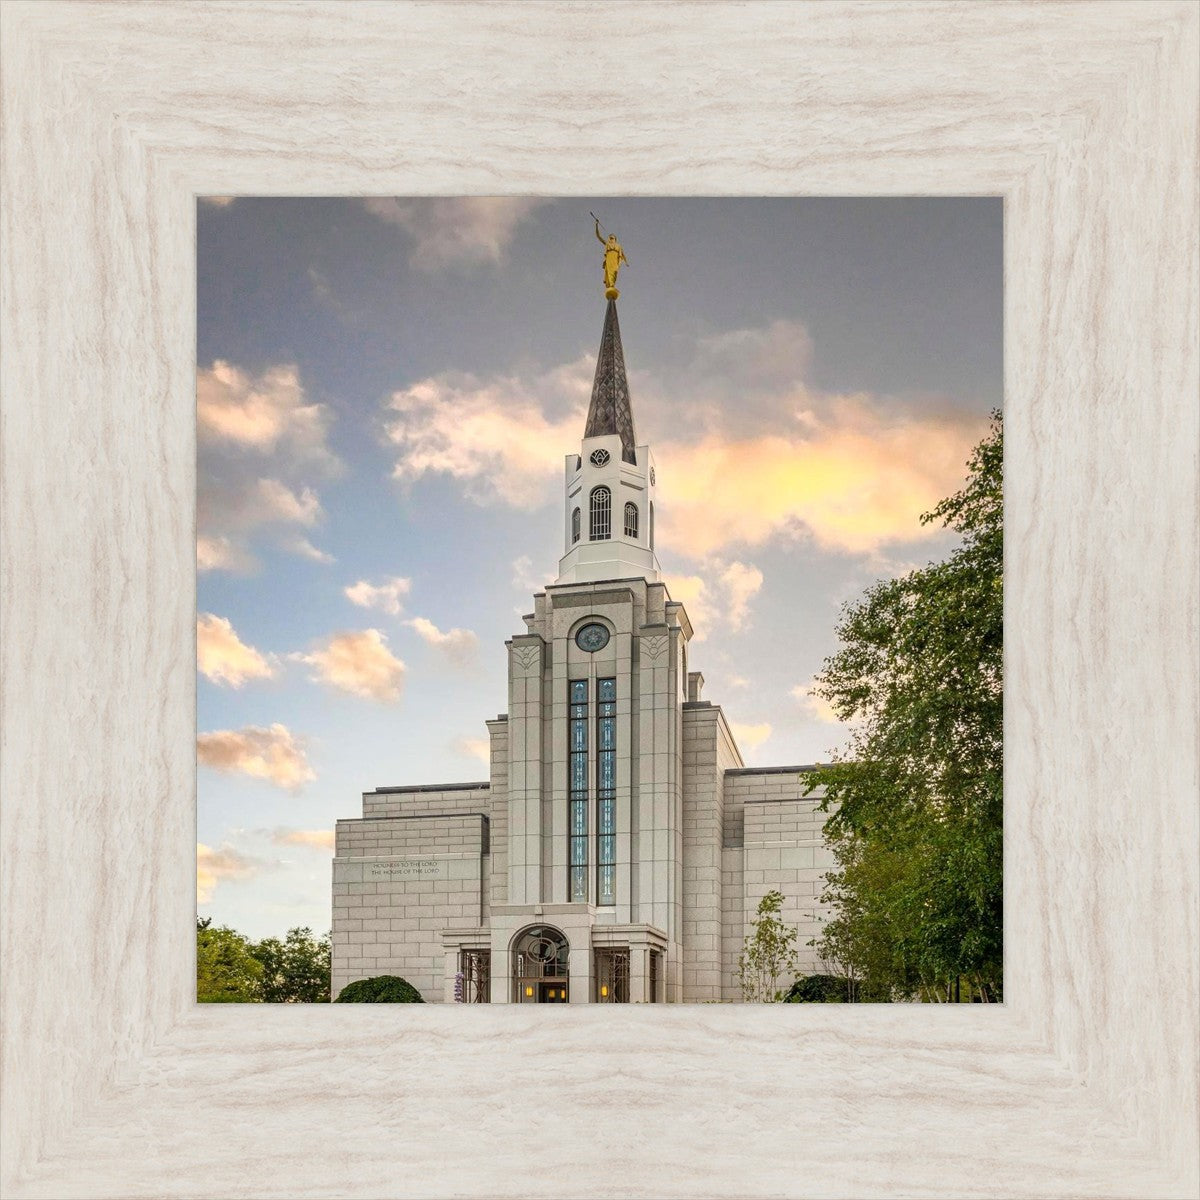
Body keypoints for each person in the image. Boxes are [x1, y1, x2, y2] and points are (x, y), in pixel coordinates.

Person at [594, 218, 628, 292]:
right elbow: (598, 236)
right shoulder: (607, 244)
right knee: (609, 273)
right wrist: (596, 225)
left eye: (612, 238)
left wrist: (626, 262)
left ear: (615, 239)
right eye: (610, 238)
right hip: (609, 259)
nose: (611, 239)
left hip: (615, 260)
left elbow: (622, 254)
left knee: (615, 272)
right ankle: (611, 286)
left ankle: (612, 285)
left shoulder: (618, 246)